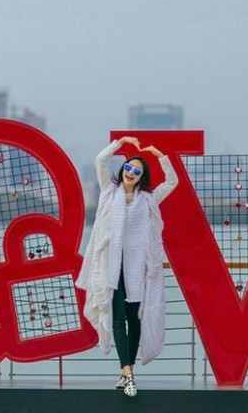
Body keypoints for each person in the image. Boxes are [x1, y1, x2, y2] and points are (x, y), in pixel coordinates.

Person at [76, 136, 178, 398]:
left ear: (142, 177)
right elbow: (100, 160)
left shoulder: (149, 199)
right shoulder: (109, 192)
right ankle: (128, 373)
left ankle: (127, 372)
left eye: (137, 171)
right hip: (112, 268)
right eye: (129, 167)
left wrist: (160, 156)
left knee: (134, 318)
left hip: (136, 269)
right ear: (123, 170)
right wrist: (120, 143)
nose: (131, 172)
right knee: (118, 316)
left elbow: (172, 182)